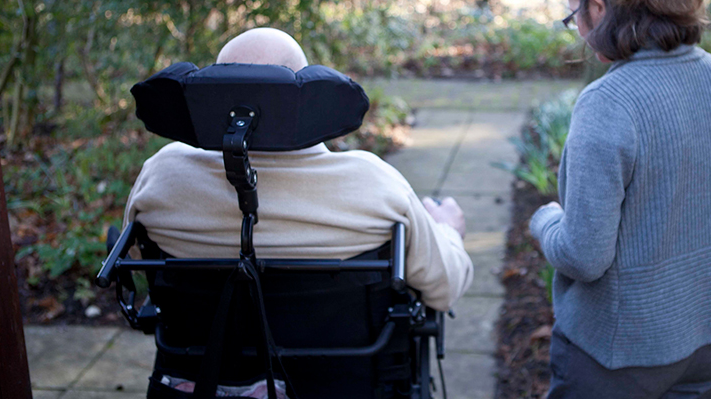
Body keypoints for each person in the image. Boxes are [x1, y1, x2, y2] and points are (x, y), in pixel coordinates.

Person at [530, 0, 711, 399]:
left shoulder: (608, 104)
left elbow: (585, 254)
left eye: (573, 15)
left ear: (599, 8)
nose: (578, 31)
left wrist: (544, 221)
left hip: (616, 351)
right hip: (705, 339)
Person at [124, 27, 473, 312]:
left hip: (199, 381)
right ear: (303, 95)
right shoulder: (371, 183)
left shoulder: (164, 175)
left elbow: (142, 254)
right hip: (337, 390)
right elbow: (443, 289)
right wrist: (449, 232)